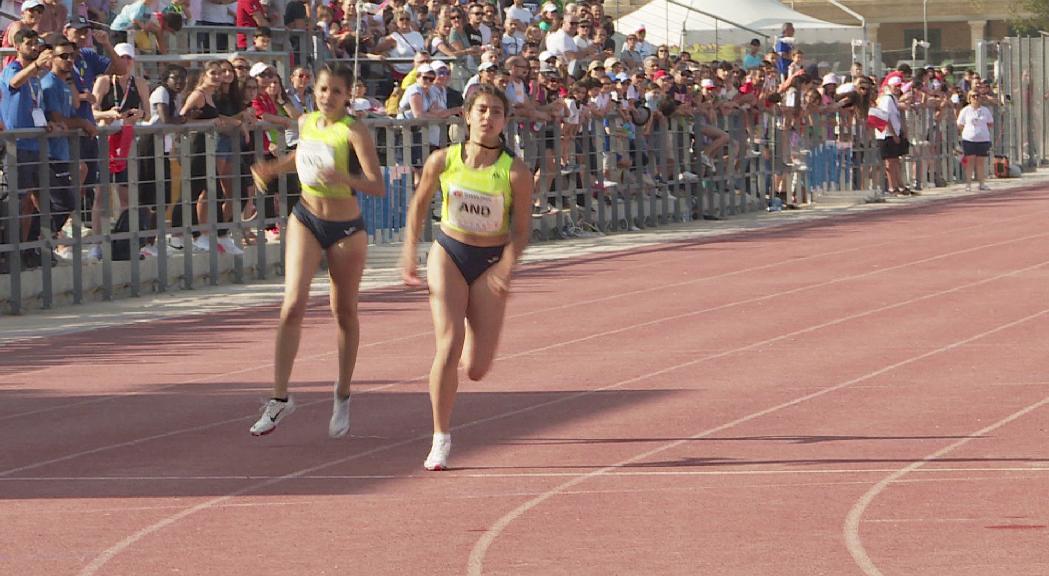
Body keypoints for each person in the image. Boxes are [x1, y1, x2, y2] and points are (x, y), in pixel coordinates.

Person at [247, 65, 385, 438]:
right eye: (323, 89)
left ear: (345, 96)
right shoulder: (307, 122)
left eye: (335, 92)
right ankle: (279, 398)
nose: (327, 97)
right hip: (306, 217)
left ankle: (342, 392)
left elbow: (377, 186)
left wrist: (344, 178)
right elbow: (302, 157)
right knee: (292, 303)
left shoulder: (353, 130)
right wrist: (275, 168)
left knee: (343, 311)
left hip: (346, 227)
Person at [400, 85, 533, 471]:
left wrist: (508, 264)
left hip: (491, 261)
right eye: (481, 110)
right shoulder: (443, 160)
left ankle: (478, 319)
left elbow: (522, 229)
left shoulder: (516, 172)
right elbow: (420, 203)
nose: (488, 117)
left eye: (496, 111)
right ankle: (441, 437)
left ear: (505, 121)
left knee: (475, 368)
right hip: (449, 253)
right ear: (467, 116)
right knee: (449, 342)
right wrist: (410, 250)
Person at [957, 90, 993, 192]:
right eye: (973, 96)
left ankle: (982, 183)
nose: (976, 98)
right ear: (969, 98)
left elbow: (990, 123)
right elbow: (960, 124)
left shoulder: (985, 110)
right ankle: (968, 184)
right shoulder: (965, 110)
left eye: (977, 96)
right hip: (969, 139)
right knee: (970, 161)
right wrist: (968, 131)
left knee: (981, 162)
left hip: (983, 139)